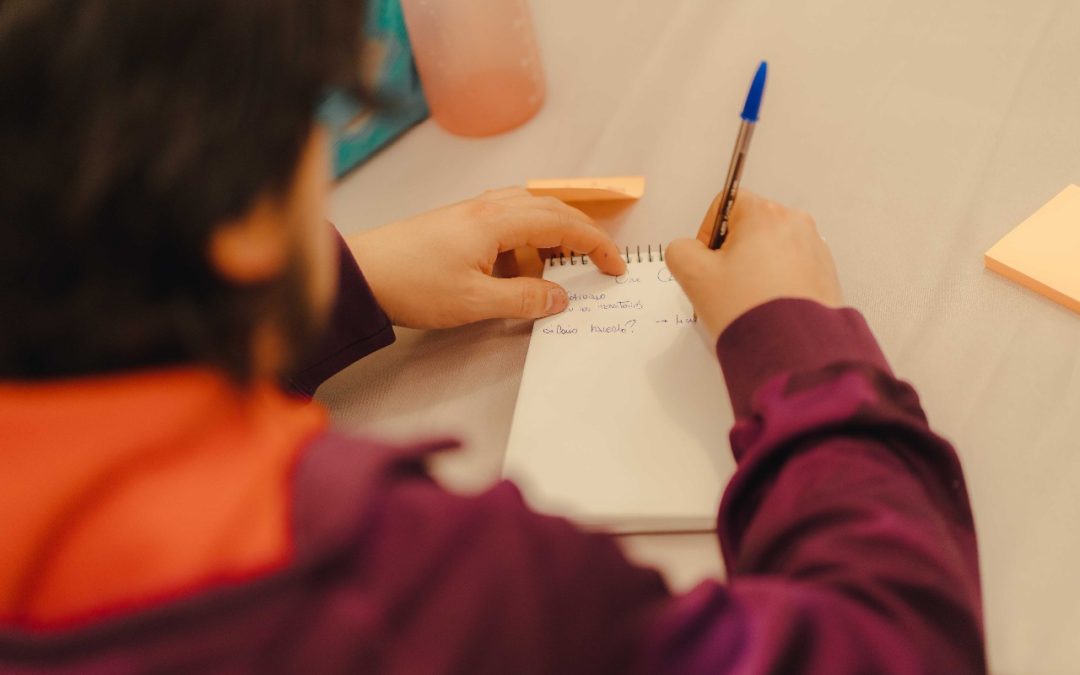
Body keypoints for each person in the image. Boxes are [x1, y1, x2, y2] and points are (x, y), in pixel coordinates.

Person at [0, 0, 985, 673]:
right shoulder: (412, 594)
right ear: (245, 220)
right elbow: (892, 647)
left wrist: (343, 281)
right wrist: (799, 346)